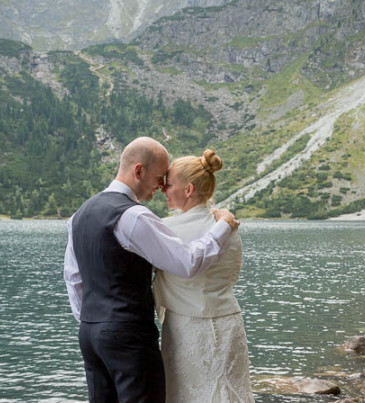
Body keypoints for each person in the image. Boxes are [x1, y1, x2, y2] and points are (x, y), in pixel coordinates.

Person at [63, 137, 240, 403]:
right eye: (159, 178)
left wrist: (93, 320)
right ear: (138, 171)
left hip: (89, 334)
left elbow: (74, 278)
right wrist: (223, 226)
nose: (160, 187)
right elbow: (187, 262)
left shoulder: (79, 215)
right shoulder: (134, 216)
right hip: (129, 335)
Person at [153, 149, 254, 403]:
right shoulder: (229, 225)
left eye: (169, 184)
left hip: (187, 327)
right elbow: (233, 274)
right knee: (231, 392)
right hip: (228, 319)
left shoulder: (166, 229)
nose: (163, 189)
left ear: (188, 189)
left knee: (187, 393)